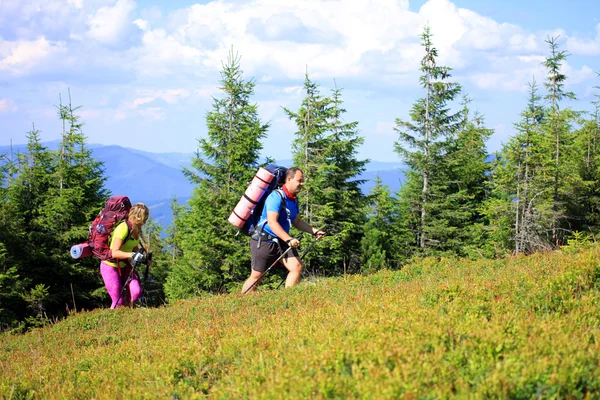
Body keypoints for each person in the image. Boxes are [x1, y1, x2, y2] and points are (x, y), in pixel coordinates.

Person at [242, 167, 325, 293]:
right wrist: (289, 239)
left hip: (281, 240)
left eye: (303, 181)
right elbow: (272, 222)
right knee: (257, 276)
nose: (302, 184)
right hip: (264, 240)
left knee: (296, 267)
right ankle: (242, 302)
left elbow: (297, 221)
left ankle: (288, 298)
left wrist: (314, 231)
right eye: (300, 181)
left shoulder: (293, 199)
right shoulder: (276, 197)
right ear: (289, 179)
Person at [100, 202, 149, 308]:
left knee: (136, 292)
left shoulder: (135, 229)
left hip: (124, 265)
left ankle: (130, 317)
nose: (145, 223)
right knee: (118, 301)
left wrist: (144, 258)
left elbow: (134, 247)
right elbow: (115, 252)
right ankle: (113, 321)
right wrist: (132, 255)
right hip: (110, 266)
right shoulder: (123, 228)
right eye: (144, 220)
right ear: (136, 217)